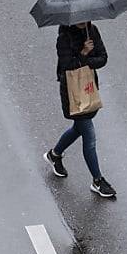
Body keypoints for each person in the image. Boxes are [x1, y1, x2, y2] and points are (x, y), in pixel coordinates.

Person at [45, 21, 117, 197]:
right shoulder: (64, 38)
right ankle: (97, 180)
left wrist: (87, 57)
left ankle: (55, 155)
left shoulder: (91, 31)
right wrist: (84, 53)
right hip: (72, 92)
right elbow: (67, 66)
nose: (83, 21)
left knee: (78, 128)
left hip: (88, 87)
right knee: (89, 136)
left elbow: (103, 58)